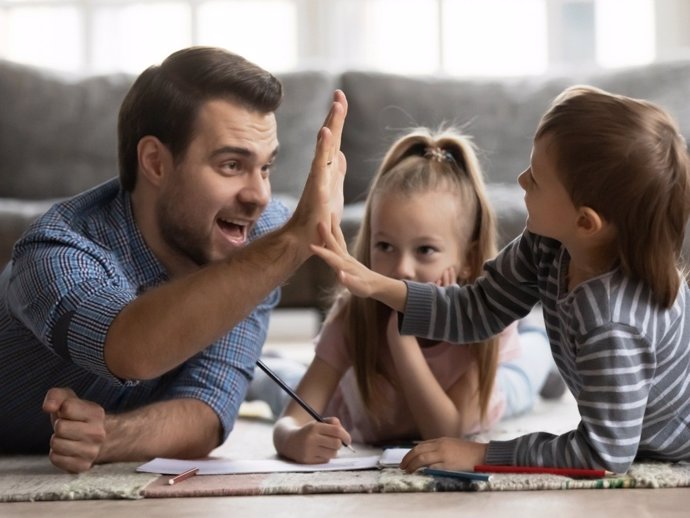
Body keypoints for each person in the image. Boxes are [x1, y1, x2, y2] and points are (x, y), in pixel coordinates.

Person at [0, 46, 348, 473]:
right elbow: (130, 347)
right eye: (232, 164)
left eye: (266, 168)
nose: (258, 195)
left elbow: (209, 406)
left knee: (250, 376)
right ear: (155, 163)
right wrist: (293, 243)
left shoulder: (263, 236)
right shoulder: (54, 252)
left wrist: (108, 436)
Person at [312, 85, 690, 474]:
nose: (521, 180)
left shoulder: (613, 322)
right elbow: (476, 309)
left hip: (671, 442)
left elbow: (604, 455)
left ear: (585, 222)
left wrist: (482, 454)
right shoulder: (547, 245)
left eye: (537, 179)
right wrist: (374, 283)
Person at [272, 128, 560, 464]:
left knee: (527, 374)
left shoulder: (481, 324)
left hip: (488, 395)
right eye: (385, 246)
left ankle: (537, 334)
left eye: (425, 250)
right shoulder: (354, 316)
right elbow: (290, 420)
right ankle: (266, 371)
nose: (403, 269)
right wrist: (293, 438)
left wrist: (402, 339)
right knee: (281, 384)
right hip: (355, 407)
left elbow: (445, 434)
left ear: (467, 260)